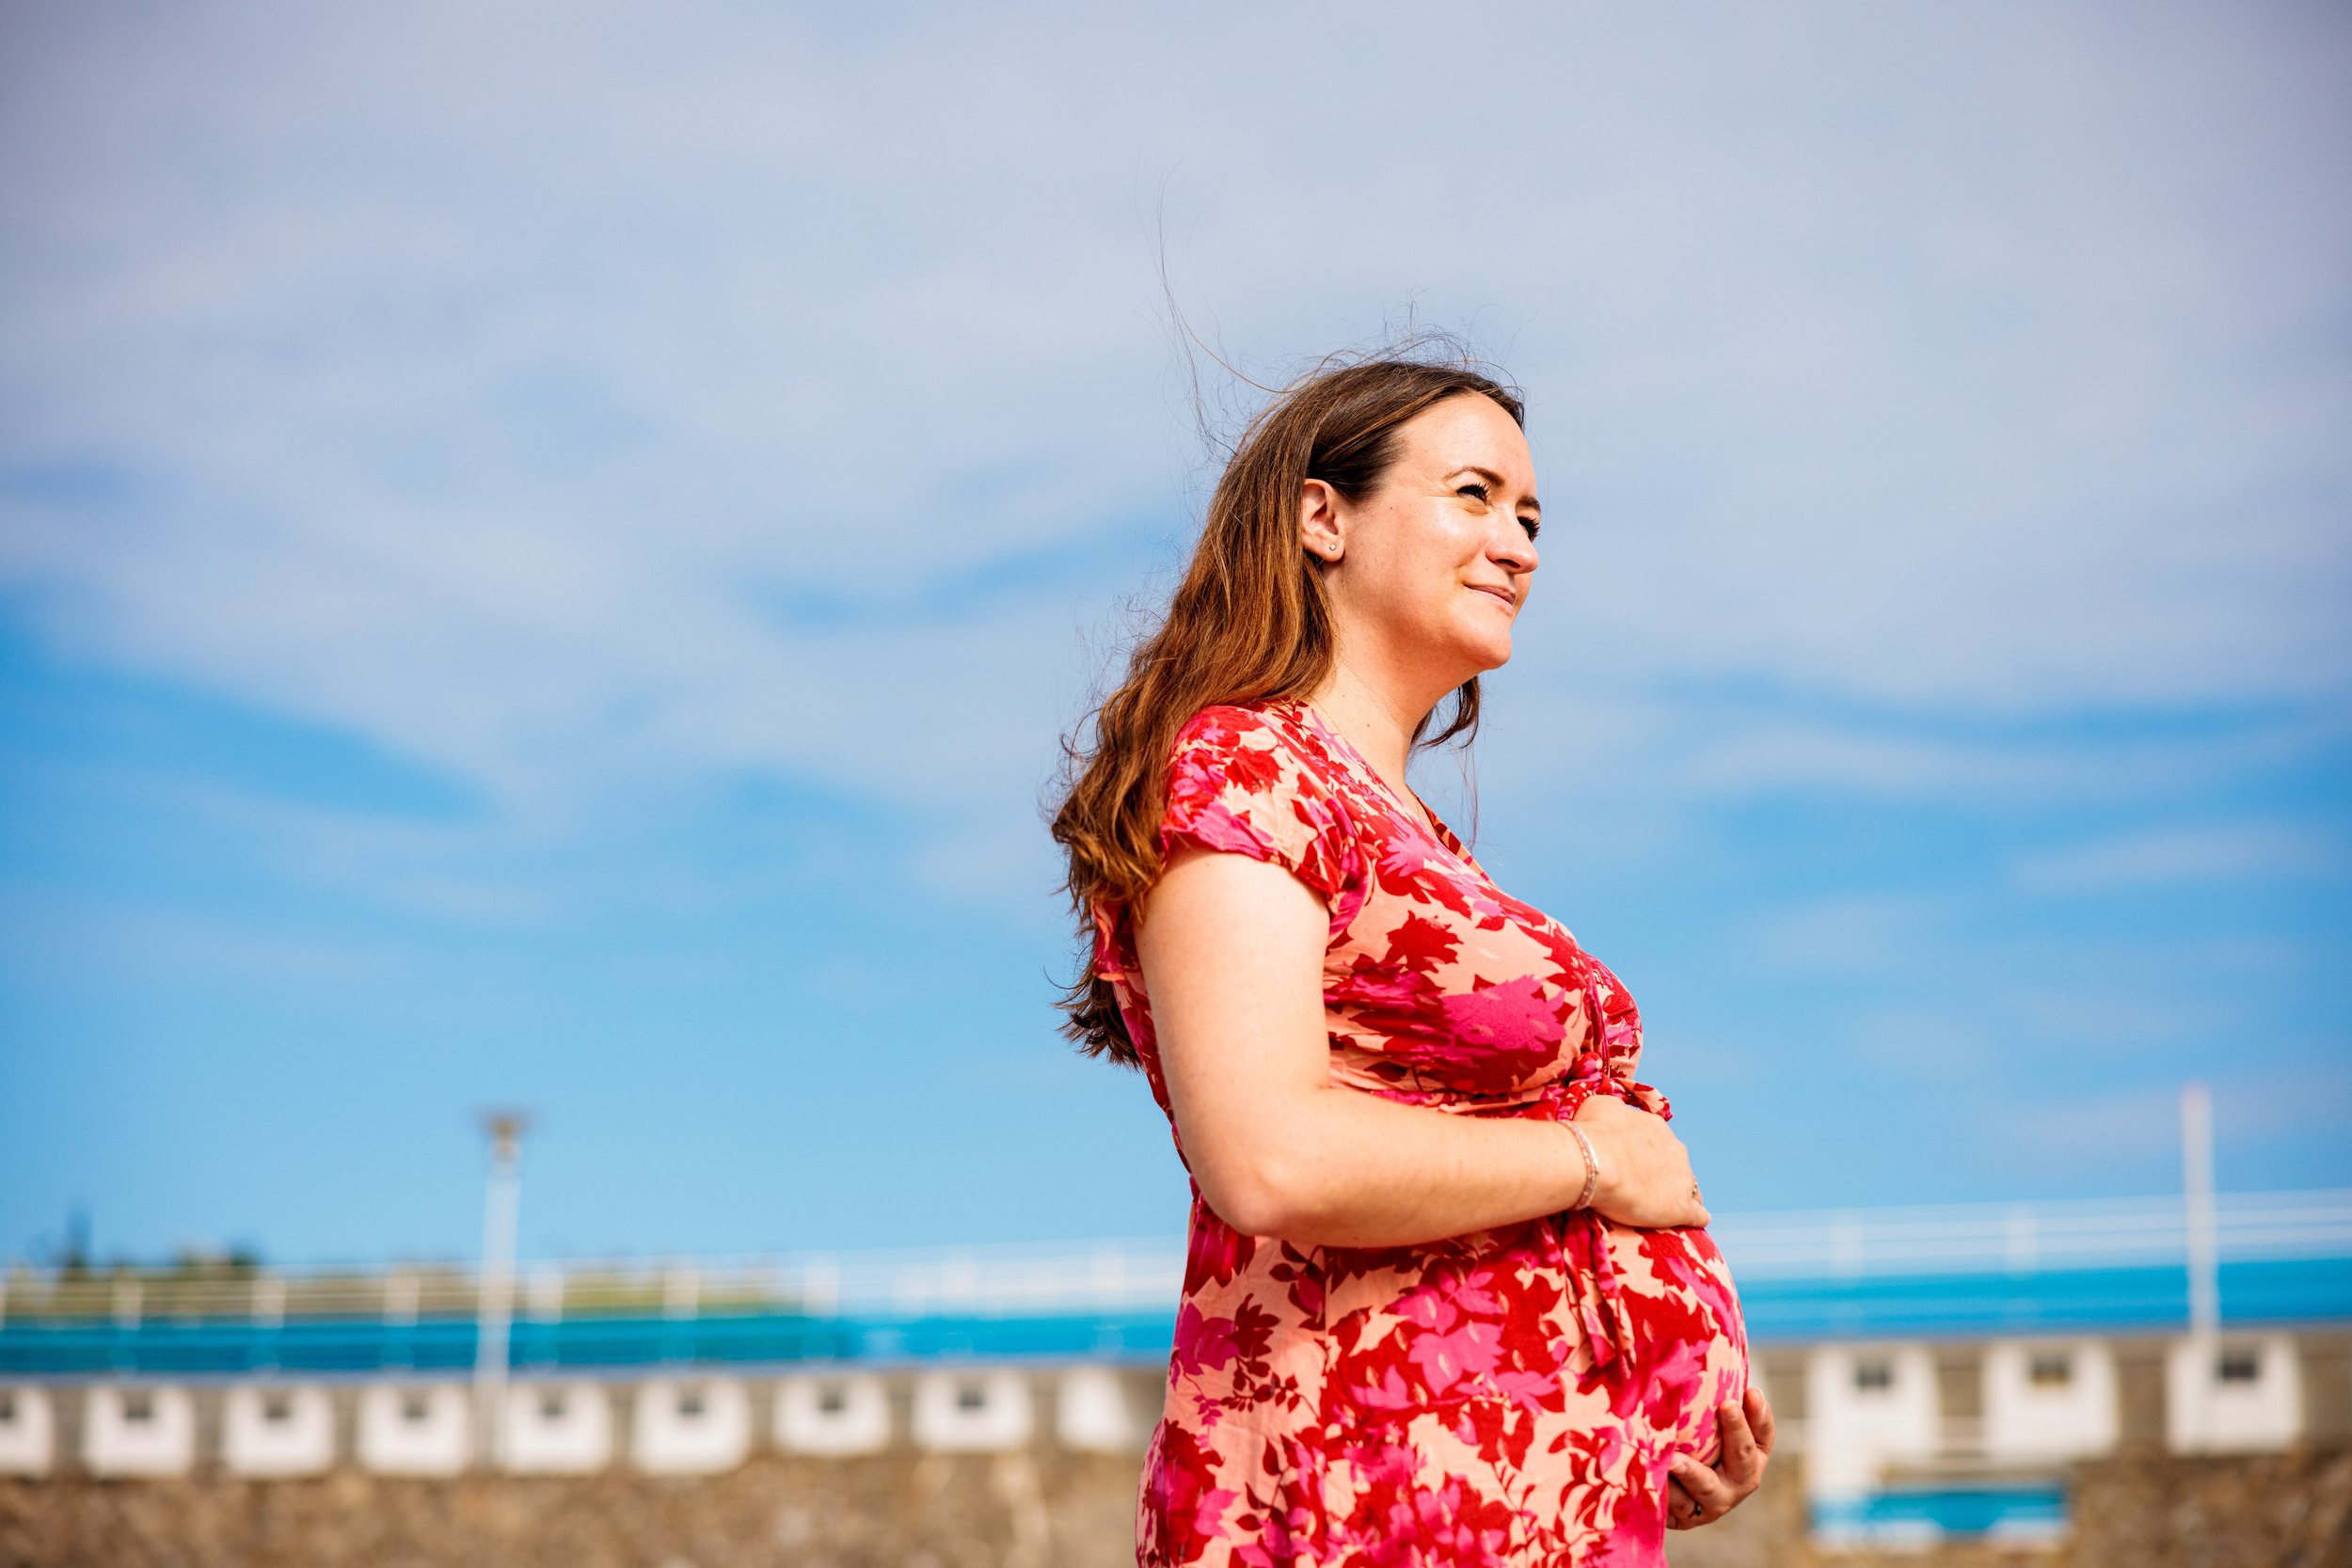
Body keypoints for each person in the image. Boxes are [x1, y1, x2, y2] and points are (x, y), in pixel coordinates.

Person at [1050, 351, 1769, 1566]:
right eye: (1475, 495)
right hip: (1359, 1497)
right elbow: (1274, 1158)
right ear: (1322, 516)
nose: (1520, 545)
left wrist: (1648, 1394)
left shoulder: (1398, 823)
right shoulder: (1248, 768)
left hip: (1532, 1500)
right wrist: (1599, 1163)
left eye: (1533, 516)